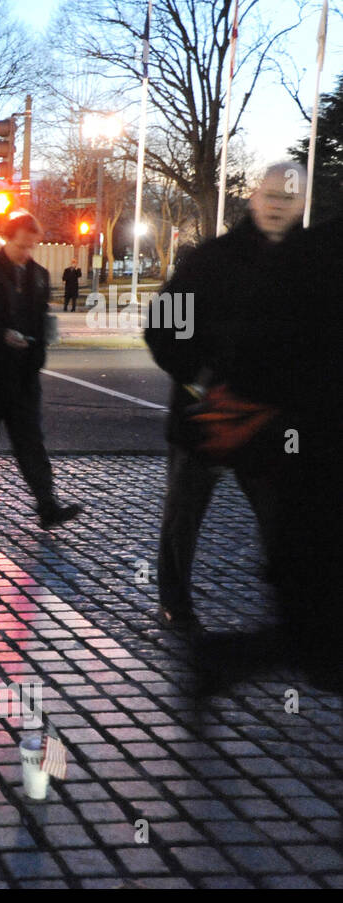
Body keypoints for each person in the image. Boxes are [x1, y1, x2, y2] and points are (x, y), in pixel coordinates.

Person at [144, 162, 304, 639]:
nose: (277, 205)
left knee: (282, 516)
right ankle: (175, 603)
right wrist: (197, 380)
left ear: (300, 205)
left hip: (269, 422)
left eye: (288, 198)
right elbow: (163, 327)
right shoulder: (210, 260)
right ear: (255, 197)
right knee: (184, 515)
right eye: (271, 194)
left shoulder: (306, 266)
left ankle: (293, 606)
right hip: (203, 415)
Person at [0, 210, 83, 529]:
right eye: (22, 246)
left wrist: (38, 350)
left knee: (30, 440)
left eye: (32, 247)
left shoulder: (38, 275)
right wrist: (1, 336)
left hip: (23, 376)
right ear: (7, 239)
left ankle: (47, 504)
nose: (27, 253)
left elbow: (40, 318)